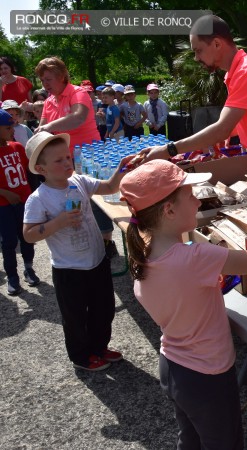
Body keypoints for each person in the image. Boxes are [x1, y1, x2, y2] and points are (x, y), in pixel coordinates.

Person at [119, 159, 247, 449]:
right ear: (169, 210)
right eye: (191, 196)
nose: (197, 200)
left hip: (173, 367)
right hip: (208, 377)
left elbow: (180, 296)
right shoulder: (196, 257)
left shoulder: (145, 251)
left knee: (189, 439)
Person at [141, 15, 247, 179]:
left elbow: (222, 128)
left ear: (217, 43)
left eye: (198, 50)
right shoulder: (235, 73)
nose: (196, 58)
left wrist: (168, 150)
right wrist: (224, 135)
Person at [22, 132, 134, 371]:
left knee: (103, 309)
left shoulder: (80, 182)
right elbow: (29, 234)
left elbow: (111, 186)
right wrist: (58, 222)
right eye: (58, 161)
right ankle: (81, 356)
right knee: (75, 317)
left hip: (96, 260)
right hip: (69, 269)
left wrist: (122, 167)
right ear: (41, 169)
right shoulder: (38, 199)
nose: (67, 163)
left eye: (67, 157)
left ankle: (99, 347)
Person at [35, 57, 117, 257]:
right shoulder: (49, 101)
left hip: (88, 154)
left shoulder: (77, 93)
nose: (45, 85)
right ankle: (85, 235)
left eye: (48, 79)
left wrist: (48, 127)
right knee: (72, 196)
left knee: (96, 196)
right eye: (42, 81)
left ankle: (106, 240)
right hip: (63, 158)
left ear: (62, 76)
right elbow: (43, 127)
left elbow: (78, 117)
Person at [0, 110, 38, 296]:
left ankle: (29, 268)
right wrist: (5, 193)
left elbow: (30, 172)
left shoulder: (17, 147)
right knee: (8, 241)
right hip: (3, 206)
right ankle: (12, 276)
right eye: (8, 127)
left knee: (26, 237)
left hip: (24, 202)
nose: (12, 130)